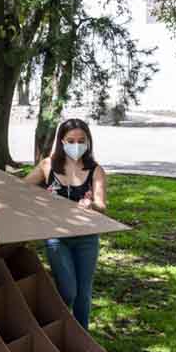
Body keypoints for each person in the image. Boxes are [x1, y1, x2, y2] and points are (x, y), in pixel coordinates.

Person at [24, 118, 106, 330]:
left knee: (83, 295)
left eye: (81, 140)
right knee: (69, 291)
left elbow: (102, 204)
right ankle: (51, 327)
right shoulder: (48, 166)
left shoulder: (95, 170)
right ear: (61, 141)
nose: (76, 145)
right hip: (57, 238)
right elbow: (21, 189)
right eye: (71, 140)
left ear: (88, 142)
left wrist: (92, 205)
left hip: (87, 238)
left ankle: (82, 338)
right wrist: (43, 196)